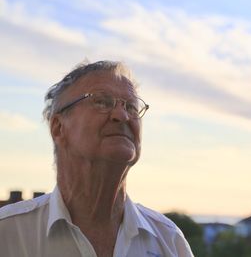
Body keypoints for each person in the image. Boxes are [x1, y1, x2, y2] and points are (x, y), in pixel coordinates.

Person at [0, 60, 194, 257]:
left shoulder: (169, 241)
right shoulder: (8, 233)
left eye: (131, 107)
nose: (122, 115)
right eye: (102, 101)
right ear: (58, 128)